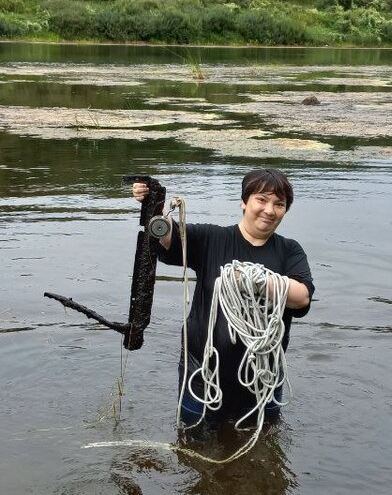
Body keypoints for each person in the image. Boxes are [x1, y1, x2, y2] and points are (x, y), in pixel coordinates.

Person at [131, 168, 314, 423]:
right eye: (261, 200)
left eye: (279, 204)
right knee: (192, 442)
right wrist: (153, 202)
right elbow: (167, 234)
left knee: (262, 444)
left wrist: (252, 279)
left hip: (263, 377)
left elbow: (302, 296)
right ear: (244, 201)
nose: (269, 210)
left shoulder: (289, 250)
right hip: (203, 374)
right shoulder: (210, 238)